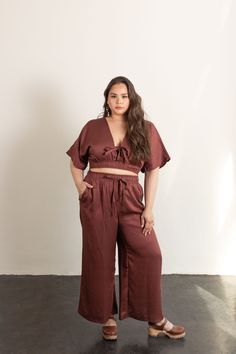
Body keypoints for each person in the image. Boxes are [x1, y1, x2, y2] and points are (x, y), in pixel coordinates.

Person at [66, 76, 185, 340]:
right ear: (106, 99)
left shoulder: (146, 128)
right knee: (100, 256)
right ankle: (106, 316)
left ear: (131, 99)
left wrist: (149, 208)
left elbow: (153, 170)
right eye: (113, 96)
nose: (118, 101)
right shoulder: (92, 127)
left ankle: (155, 319)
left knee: (149, 253)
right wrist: (81, 188)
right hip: (96, 196)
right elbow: (76, 163)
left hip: (131, 196)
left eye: (123, 96)